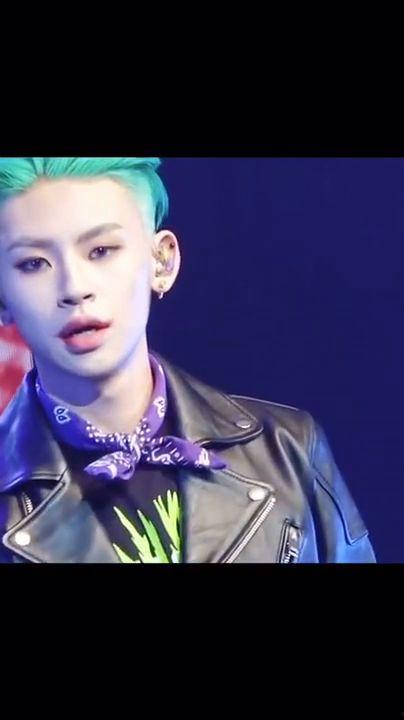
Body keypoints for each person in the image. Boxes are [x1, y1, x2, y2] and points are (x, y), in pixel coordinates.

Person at [0, 157, 376, 563]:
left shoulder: (286, 448)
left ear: (161, 261)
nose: (74, 288)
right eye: (33, 263)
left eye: (101, 251)